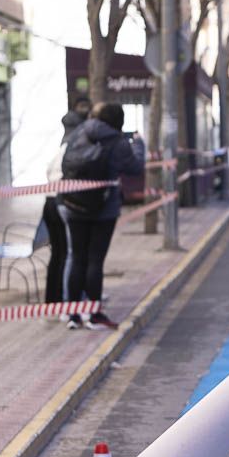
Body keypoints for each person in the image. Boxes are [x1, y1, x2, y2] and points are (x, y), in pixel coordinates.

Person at [59, 102, 146, 330]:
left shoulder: (81, 131)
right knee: (95, 260)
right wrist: (138, 144)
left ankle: (72, 314)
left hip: (72, 202)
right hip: (103, 209)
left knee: (77, 257)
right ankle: (94, 313)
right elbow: (136, 168)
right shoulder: (119, 143)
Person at [43, 98, 91, 304]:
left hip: (50, 202)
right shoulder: (75, 147)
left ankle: (53, 299)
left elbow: (49, 171)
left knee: (58, 254)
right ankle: (66, 299)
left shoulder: (62, 145)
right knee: (68, 254)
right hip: (63, 202)